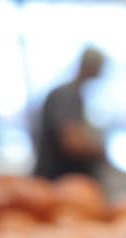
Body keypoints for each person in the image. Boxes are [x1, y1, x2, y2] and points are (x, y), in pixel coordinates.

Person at [33, 47, 106, 181]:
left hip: (65, 183)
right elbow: (72, 142)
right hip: (57, 182)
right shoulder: (67, 95)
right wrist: (101, 150)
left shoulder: (76, 95)